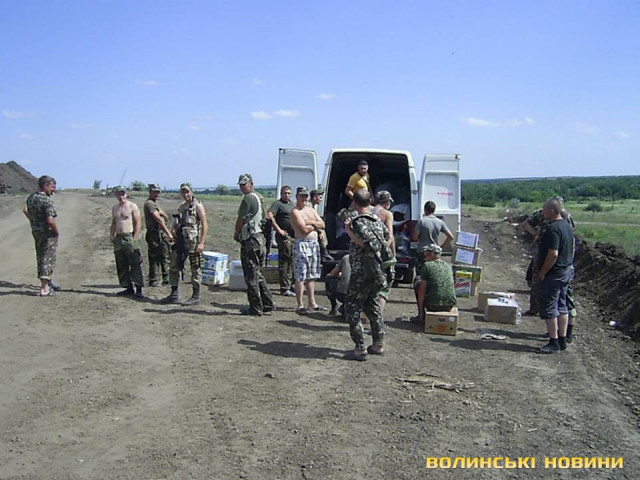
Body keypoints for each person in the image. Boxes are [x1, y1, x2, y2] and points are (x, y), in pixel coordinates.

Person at [343, 189, 392, 361]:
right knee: (372, 306)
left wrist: (348, 230)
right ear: (370, 201)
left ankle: (360, 348)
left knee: (352, 308)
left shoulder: (358, 222)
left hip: (361, 272)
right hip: (376, 271)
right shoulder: (376, 220)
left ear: (355, 203)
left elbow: (366, 244)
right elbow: (388, 238)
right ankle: (378, 344)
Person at [537, 197, 575, 354]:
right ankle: (562, 339)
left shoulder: (553, 229)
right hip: (565, 271)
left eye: (544, 210)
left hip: (554, 273)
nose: (542, 213)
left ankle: (553, 342)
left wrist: (543, 271)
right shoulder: (567, 226)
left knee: (550, 307)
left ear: (552, 211)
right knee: (562, 306)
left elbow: (553, 254)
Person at [234, 173, 274, 316]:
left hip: (251, 239)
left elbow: (240, 219)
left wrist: (236, 233)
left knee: (251, 275)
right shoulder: (259, 197)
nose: (242, 187)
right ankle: (267, 302)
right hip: (260, 238)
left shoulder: (248, 199)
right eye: (241, 185)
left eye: (244, 184)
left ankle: (255, 307)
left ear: (251, 184)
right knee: (257, 273)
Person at [161, 182, 208, 305]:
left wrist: (201, 243)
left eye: (187, 192)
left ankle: (195, 296)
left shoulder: (197, 206)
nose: (185, 194)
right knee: (174, 265)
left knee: (195, 268)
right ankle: (174, 294)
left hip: (193, 242)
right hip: (180, 241)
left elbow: (204, 225)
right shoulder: (182, 207)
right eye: (183, 192)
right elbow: (176, 223)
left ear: (191, 191)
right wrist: (172, 232)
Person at [290, 186, 326, 314]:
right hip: (302, 243)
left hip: (314, 244)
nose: (304, 198)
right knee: (300, 275)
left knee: (312, 275)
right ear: (297, 197)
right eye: (301, 196)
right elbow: (304, 230)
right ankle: (300, 305)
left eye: (305, 196)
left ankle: (312, 303)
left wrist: (310, 222)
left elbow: (323, 224)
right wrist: (315, 226)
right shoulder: (295, 212)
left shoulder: (311, 210)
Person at [23, 175, 59, 296]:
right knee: (47, 258)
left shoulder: (31, 198)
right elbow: (50, 220)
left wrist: (34, 221)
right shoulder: (46, 200)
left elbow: (25, 210)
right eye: (52, 187)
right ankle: (45, 288)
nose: (53, 190)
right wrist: (56, 231)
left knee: (40, 257)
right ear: (45, 186)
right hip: (47, 233)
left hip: (36, 232)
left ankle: (47, 283)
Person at [110, 186, 144, 298]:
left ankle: (138, 289)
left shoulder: (132, 206)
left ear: (126, 194)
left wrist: (135, 238)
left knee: (135, 263)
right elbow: (114, 223)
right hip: (119, 238)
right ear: (115, 195)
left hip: (129, 237)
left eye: (123, 194)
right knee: (121, 264)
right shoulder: (115, 208)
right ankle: (128, 288)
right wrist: (111, 235)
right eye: (118, 194)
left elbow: (138, 223)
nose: (121, 196)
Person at [411, 244, 457, 324]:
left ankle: (421, 316)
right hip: (449, 304)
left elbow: (422, 290)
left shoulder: (427, 266)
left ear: (432, 254)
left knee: (418, 281)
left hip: (434, 306)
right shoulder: (448, 265)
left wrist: (421, 312)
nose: (424, 257)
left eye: (426, 254)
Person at [267, 186, 295, 296]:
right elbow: (270, 215)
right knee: (284, 262)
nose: (287, 195)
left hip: (293, 237)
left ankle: (290, 285)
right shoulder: (277, 204)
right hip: (283, 238)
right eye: (285, 193)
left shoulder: (292, 204)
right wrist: (278, 229)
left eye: (288, 193)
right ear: (281, 194)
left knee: (291, 261)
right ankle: (284, 288)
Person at [143, 184, 173, 287]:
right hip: (154, 234)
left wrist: (163, 215)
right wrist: (168, 233)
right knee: (154, 257)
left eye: (158, 192)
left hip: (159, 233)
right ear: (150, 192)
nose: (156, 194)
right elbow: (158, 220)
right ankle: (153, 279)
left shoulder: (154, 203)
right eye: (154, 192)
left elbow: (161, 213)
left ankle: (166, 278)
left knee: (164, 254)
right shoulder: (149, 204)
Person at [372, 190, 396, 314]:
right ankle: (378, 316)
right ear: (387, 202)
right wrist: (392, 253)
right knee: (384, 287)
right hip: (381, 252)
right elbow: (390, 236)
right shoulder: (387, 214)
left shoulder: (367, 211)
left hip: (367, 251)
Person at [411, 200, 454, 269]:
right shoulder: (440, 222)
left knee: (422, 272)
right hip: (435, 253)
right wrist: (441, 247)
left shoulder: (422, 221)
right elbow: (451, 237)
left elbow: (414, 238)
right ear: (434, 210)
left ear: (425, 210)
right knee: (433, 272)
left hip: (423, 252)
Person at [309, 188, 334, 262]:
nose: (321, 200)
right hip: (307, 228)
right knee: (322, 232)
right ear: (314, 197)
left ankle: (324, 252)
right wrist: (319, 231)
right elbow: (311, 222)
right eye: (320, 197)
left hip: (312, 227)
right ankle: (324, 253)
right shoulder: (309, 207)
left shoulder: (312, 206)